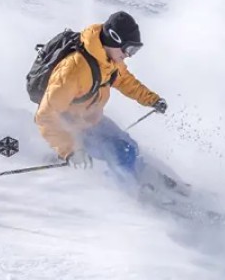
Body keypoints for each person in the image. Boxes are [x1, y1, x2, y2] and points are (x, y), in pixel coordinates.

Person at [33, 11, 168, 181]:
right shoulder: (74, 70)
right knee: (121, 154)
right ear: (113, 38)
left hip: (91, 119)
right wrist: (69, 150)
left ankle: (139, 174)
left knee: (129, 145)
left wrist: (152, 99)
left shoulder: (108, 61)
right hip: (71, 127)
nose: (129, 55)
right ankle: (128, 192)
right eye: (129, 49)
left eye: (135, 50)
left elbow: (125, 81)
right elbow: (46, 115)